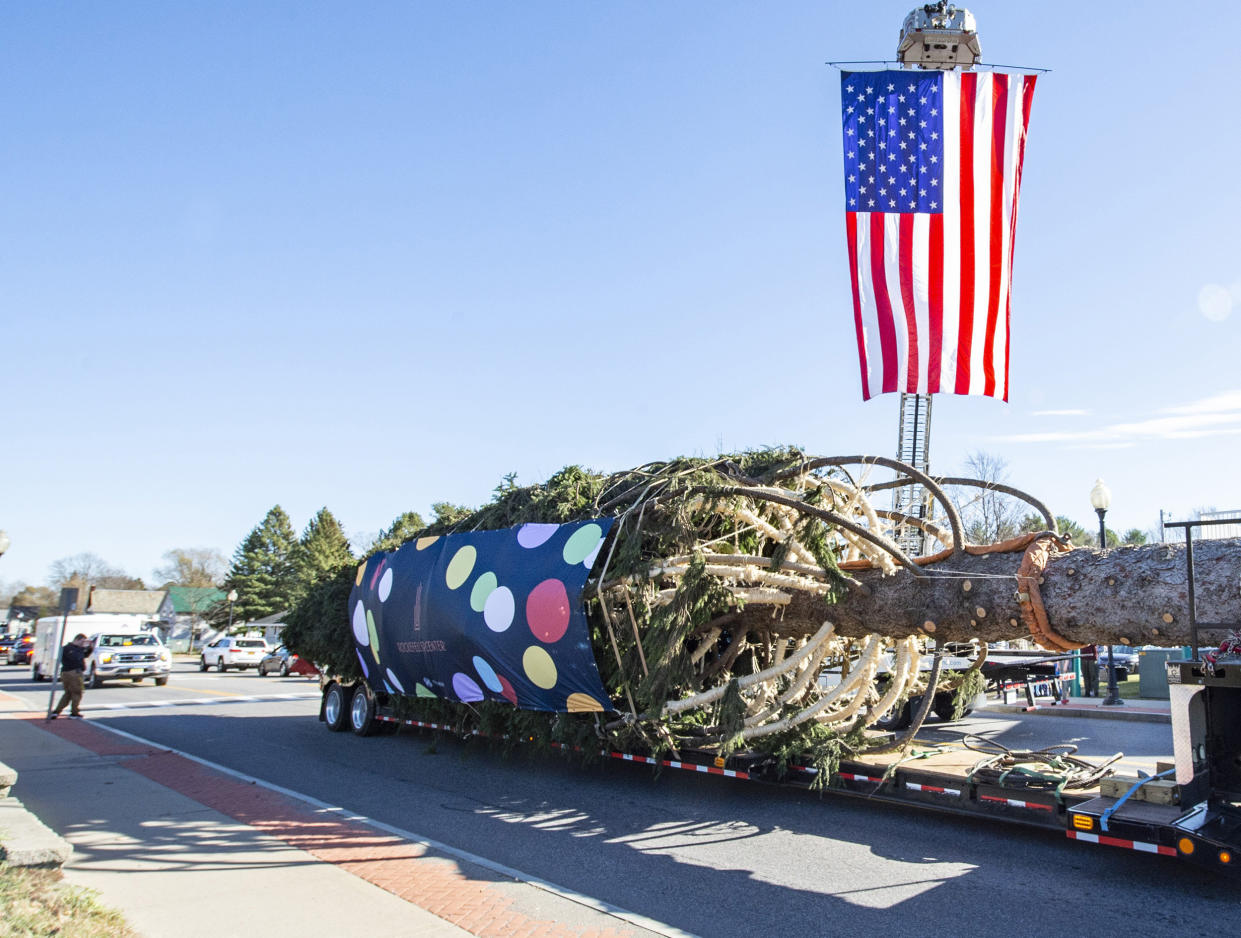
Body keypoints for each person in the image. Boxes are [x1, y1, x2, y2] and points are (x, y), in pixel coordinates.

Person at [48, 633, 92, 719]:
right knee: (77, 692)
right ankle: (74, 712)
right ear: (77, 640)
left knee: (68, 693)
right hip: (73, 672)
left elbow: (85, 655)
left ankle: (57, 711)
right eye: (82, 642)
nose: (83, 644)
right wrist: (82, 648)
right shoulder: (68, 649)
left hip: (67, 672)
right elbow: (76, 658)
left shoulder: (75, 649)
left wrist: (89, 647)